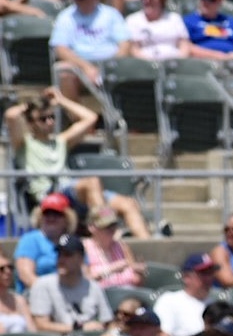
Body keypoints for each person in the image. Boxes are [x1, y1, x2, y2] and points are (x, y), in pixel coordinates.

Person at [5, 90, 151, 238]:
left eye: (52, 117)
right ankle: (107, 231)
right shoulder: (24, 145)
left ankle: (148, 249)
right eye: (43, 119)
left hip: (70, 190)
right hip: (49, 193)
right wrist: (33, 104)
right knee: (92, 182)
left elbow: (90, 118)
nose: (50, 122)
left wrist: (61, 100)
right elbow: (11, 115)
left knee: (128, 204)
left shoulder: (61, 141)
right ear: (30, 123)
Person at [49, 0, 131, 101]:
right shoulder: (66, 16)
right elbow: (61, 49)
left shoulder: (111, 14)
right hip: (80, 66)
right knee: (64, 74)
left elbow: (125, 45)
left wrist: (110, 66)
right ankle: (79, 118)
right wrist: (86, 67)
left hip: (110, 64)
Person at [28, 232, 110, 335]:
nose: (61, 260)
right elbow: (41, 325)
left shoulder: (93, 287)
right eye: (59, 254)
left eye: (67, 255)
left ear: (80, 259)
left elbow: (106, 322)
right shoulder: (43, 284)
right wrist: (79, 329)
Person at [15, 193, 76, 292]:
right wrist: (52, 294)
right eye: (47, 213)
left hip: (70, 295)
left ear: (67, 218)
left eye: (57, 214)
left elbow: (84, 273)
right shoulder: (30, 240)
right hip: (36, 295)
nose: (51, 218)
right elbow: (26, 276)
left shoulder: (72, 242)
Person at [155, 252, 220, 336]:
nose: (208, 278)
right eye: (203, 273)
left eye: (211, 273)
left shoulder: (216, 305)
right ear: (186, 277)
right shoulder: (170, 300)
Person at [125, 0, 199, 61]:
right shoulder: (132, 20)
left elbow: (184, 45)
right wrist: (152, 64)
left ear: (161, 0)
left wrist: (177, 62)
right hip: (144, 66)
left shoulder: (174, 19)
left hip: (174, 64)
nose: (147, 1)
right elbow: (133, 49)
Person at [0, 255, 34, 334]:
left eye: (10, 267)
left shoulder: (19, 300)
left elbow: (32, 331)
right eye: (1, 269)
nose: (8, 271)